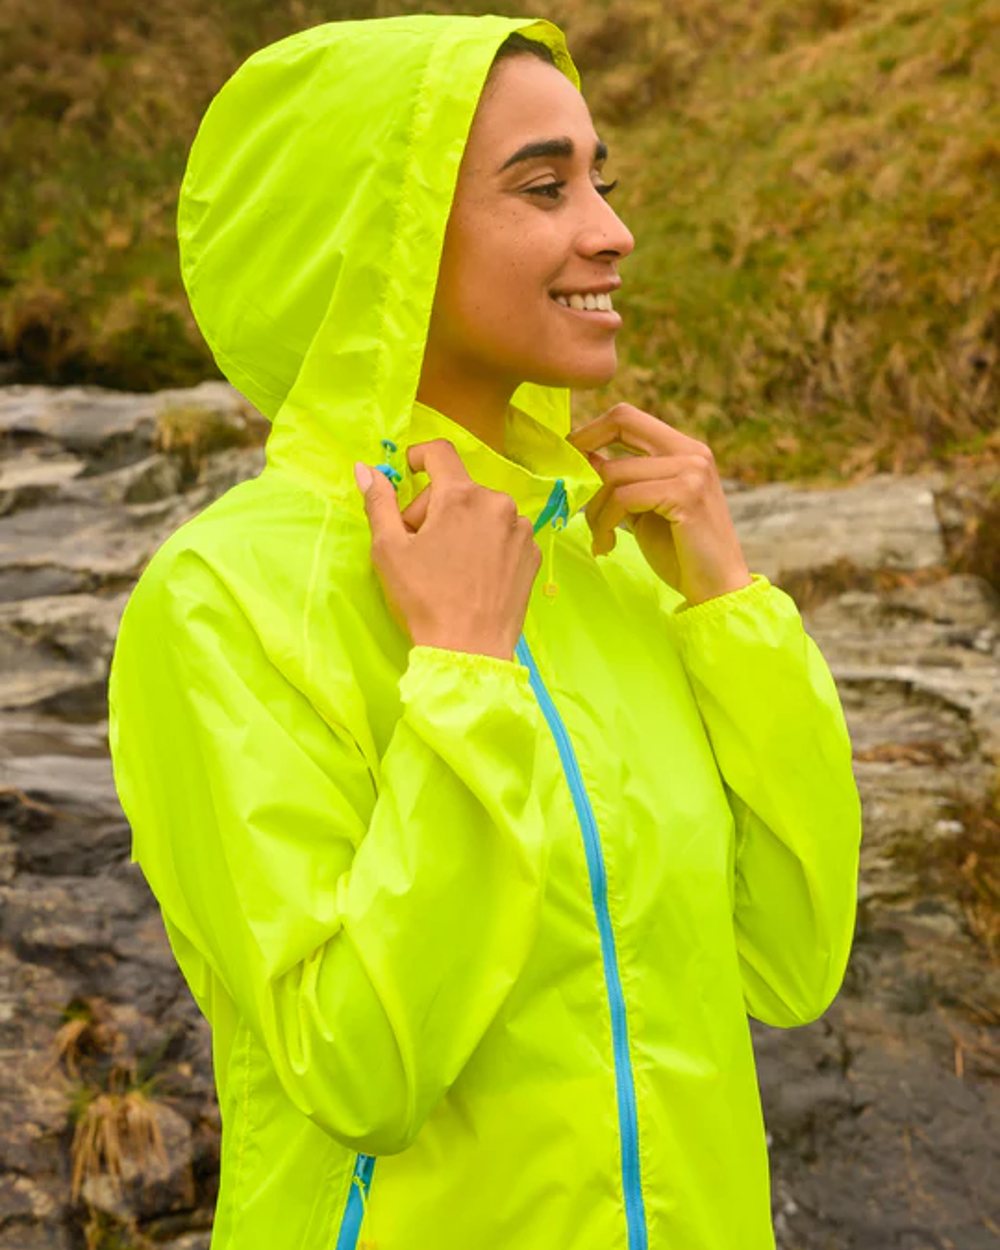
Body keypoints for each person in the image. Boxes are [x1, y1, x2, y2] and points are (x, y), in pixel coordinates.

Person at [106, 13, 863, 1250]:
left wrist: (729, 611)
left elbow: (792, 957)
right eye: (542, 185)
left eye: (599, 179)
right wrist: (462, 675)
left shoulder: (603, 558)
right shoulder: (223, 598)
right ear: (387, 235)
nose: (611, 230)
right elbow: (358, 1070)